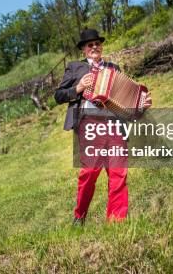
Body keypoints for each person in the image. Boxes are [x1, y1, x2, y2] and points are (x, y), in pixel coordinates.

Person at [54, 29, 151, 225]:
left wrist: (140, 106)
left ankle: (116, 221)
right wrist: (79, 88)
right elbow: (59, 96)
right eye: (90, 45)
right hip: (89, 124)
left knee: (118, 173)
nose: (94, 47)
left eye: (97, 43)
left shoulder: (114, 68)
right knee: (89, 173)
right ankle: (79, 216)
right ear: (83, 50)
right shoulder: (74, 68)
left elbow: (125, 102)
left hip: (114, 125)